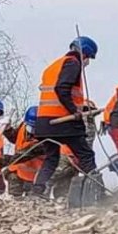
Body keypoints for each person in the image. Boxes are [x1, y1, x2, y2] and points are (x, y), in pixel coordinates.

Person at [32, 36, 99, 197]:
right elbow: (61, 88)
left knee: (51, 158)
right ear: (85, 53)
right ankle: (98, 191)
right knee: (85, 155)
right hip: (63, 121)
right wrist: (74, 110)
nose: (87, 61)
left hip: (44, 123)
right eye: (88, 57)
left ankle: (37, 191)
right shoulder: (72, 63)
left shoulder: (53, 66)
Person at [5, 106, 45, 196]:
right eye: (31, 127)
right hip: (17, 172)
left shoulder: (45, 139)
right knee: (14, 200)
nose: (33, 131)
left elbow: (25, 154)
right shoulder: (23, 127)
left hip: (35, 178)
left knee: (34, 202)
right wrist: (7, 130)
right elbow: (15, 138)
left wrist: (2, 161)